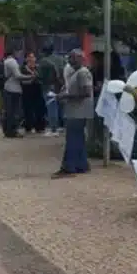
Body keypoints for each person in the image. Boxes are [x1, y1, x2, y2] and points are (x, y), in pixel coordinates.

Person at [54, 50, 93, 178]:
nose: (70, 61)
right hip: (75, 111)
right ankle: (81, 165)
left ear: (81, 58)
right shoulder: (76, 73)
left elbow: (86, 92)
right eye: (69, 58)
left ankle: (69, 166)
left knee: (72, 140)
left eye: (73, 58)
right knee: (78, 139)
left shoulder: (83, 73)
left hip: (78, 111)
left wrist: (66, 96)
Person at [38, 44, 64, 135]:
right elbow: (63, 71)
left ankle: (53, 128)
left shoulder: (43, 61)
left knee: (51, 108)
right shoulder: (60, 59)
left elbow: (40, 75)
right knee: (58, 107)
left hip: (48, 86)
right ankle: (60, 126)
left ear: (45, 52)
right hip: (59, 86)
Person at [20, 51, 47, 134]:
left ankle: (39, 126)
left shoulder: (38, 67)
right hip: (27, 89)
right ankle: (28, 126)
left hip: (37, 89)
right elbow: (21, 79)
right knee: (28, 108)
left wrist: (34, 73)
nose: (32, 59)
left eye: (33, 57)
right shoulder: (22, 68)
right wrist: (31, 76)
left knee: (39, 108)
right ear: (26, 59)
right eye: (30, 57)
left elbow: (41, 77)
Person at [2, 50, 25, 138]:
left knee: (8, 111)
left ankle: (7, 131)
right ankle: (12, 131)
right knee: (15, 111)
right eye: (20, 52)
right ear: (15, 52)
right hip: (14, 89)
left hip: (7, 88)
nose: (20, 54)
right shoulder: (12, 61)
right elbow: (18, 76)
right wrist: (30, 77)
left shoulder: (5, 61)